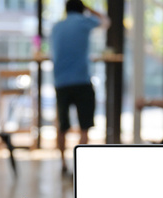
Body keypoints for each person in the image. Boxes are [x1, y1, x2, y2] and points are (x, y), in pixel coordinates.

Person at [50, 0, 110, 174]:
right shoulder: (84, 22)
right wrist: (89, 9)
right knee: (84, 125)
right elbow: (106, 21)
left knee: (62, 125)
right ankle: (79, 165)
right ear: (82, 9)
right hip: (82, 81)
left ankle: (62, 163)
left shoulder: (56, 27)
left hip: (61, 82)